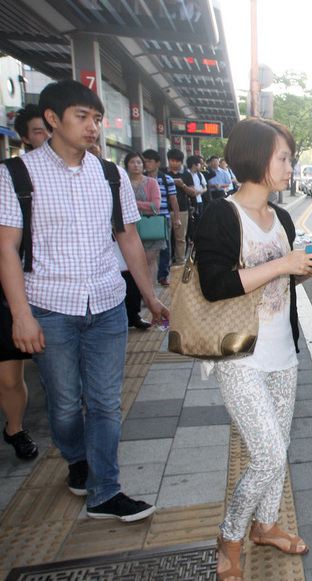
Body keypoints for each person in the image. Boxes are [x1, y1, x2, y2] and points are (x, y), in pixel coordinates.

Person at [0, 80, 168, 521]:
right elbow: (6, 250)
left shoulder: (109, 174)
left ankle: (105, 491)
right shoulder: (17, 175)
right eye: (83, 117)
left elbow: (128, 236)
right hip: (50, 308)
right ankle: (78, 459)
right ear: (52, 120)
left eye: (96, 118)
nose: (93, 127)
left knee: (105, 402)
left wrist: (150, 296)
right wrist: (21, 316)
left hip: (108, 303)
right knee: (64, 403)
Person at [193, 118, 312, 581]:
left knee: (281, 446)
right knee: (267, 454)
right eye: (284, 157)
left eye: (289, 158)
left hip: (282, 351)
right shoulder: (221, 215)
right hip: (239, 355)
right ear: (255, 158)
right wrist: (283, 264)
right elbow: (215, 286)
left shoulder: (283, 217)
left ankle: (266, 524)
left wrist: (299, 271)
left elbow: (281, 283)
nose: (291, 166)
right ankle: (230, 536)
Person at [0, 107, 49, 461]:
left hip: (20, 287)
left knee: (9, 377)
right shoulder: (9, 177)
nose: (45, 139)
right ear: (23, 138)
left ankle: (14, 427)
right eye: (37, 132)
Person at [125, 151, 163, 292]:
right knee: (131, 262)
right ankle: (136, 292)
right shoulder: (122, 182)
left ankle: (150, 292)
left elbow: (155, 206)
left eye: (139, 162)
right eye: (132, 162)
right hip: (127, 228)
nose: (136, 165)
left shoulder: (151, 183)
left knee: (150, 260)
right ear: (127, 165)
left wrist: (133, 204)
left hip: (149, 226)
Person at [142, 149, 179, 285]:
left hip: (162, 218)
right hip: (143, 219)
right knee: (144, 248)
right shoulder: (141, 178)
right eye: (144, 161)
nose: (146, 164)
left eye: (149, 161)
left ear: (157, 163)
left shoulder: (166, 179)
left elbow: (173, 199)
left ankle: (162, 275)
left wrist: (176, 217)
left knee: (164, 247)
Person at [164, 148, 192, 263]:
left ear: (181, 162)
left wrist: (183, 185)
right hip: (164, 210)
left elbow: (193, 192)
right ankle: (167, 262)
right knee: (165, 239)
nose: (174, 163)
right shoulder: (163, 174)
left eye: (177, 161)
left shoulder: (186, 174)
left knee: (180, 238)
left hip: (182, 210)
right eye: (172, 160)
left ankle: (180, 261)